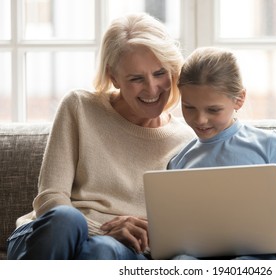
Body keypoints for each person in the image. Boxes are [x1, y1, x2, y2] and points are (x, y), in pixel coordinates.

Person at [6, 13, 195, 260]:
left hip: (122, 252)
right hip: (51, 235)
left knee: (102, 250)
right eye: (136, 78)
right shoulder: (79, 107)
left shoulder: (187, 141)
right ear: (113, 76)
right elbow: (50, 198)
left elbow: (185, 226)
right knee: (67, 220)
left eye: (160, 73)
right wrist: (99, 230)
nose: (151, 88)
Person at [168, 47, 276, 260]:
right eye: (189, 107)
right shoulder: (180, 161)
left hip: (263, 256)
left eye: (213, 110)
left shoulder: (268, 144)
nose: (200, 120)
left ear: (239, 99)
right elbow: (177, 232)